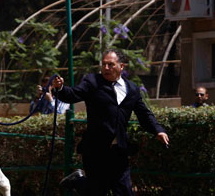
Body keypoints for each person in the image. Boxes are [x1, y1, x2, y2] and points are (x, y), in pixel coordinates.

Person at [53, 49, 169, 196]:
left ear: (121, 66)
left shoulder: (132, 89)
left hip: (118, 151)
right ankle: (80, 181)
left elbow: (144, 114)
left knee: (124, 192)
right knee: (98, 191)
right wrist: (61, 88)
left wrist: (158, 130)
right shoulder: (92, 81)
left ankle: (80, 181)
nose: (106, 68)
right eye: (104, 64)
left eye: (110, 65)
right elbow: (73, 94)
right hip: (95, 150)